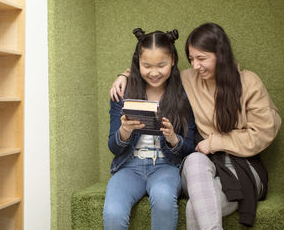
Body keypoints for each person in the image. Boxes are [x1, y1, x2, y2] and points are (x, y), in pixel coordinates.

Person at [110, 22, 282, 229]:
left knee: (193, 208)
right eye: (191, 59)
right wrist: (125, 75)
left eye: (201, 58)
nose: (195, 66)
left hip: (241, 165)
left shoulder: (249, 82)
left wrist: (215, 142)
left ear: (221, 54)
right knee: (194, 160)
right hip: (203, 164)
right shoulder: (189, 79)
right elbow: (153, 69)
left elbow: (264, 131)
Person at [103, 28, 197, 230]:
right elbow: (113, 146)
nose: (154, 72)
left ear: (172, 60)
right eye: (146, 65)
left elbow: (190, 147)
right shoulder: (123, 93)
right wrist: (124, 132)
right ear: (138, 63)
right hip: (129, 166)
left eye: (161, 65)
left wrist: (173, 138)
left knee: (163, 198)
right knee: (113, 212)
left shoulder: (183, 95)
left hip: (166, 166)